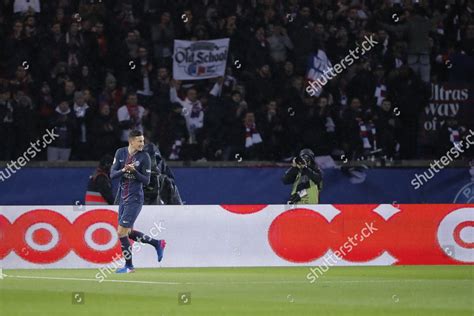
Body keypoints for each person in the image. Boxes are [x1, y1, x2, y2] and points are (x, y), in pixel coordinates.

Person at [110, 129, 166, 273]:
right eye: (139, 141)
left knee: (121, 233)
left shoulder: (144, 157)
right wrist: (124, 170)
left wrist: (134, 172)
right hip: (123, 198)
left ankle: (129, 266)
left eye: (143, 141)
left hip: (135, 199)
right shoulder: (120, 153)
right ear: (131, 141)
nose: (142, 143)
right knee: (127, 233)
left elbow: (146, 181)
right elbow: (112, 174)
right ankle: (156, 243)